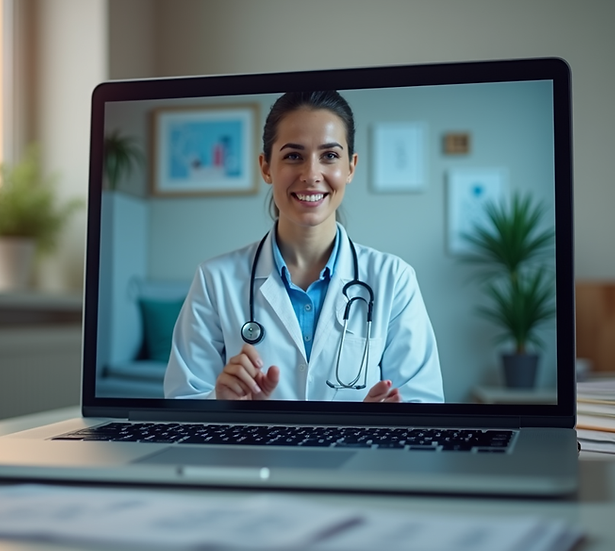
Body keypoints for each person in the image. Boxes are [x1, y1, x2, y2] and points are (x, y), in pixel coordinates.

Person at [163, 90, 444, 402]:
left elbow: (424, 404)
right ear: (266, 167)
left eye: (330, 156)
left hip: (360, 452)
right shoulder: (215, 280)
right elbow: (182, 401)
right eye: (293, 156)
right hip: (249, 452)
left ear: (350, 167)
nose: (311, 175)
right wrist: (222, 404)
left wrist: (378, 426)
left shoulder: (394, 279)